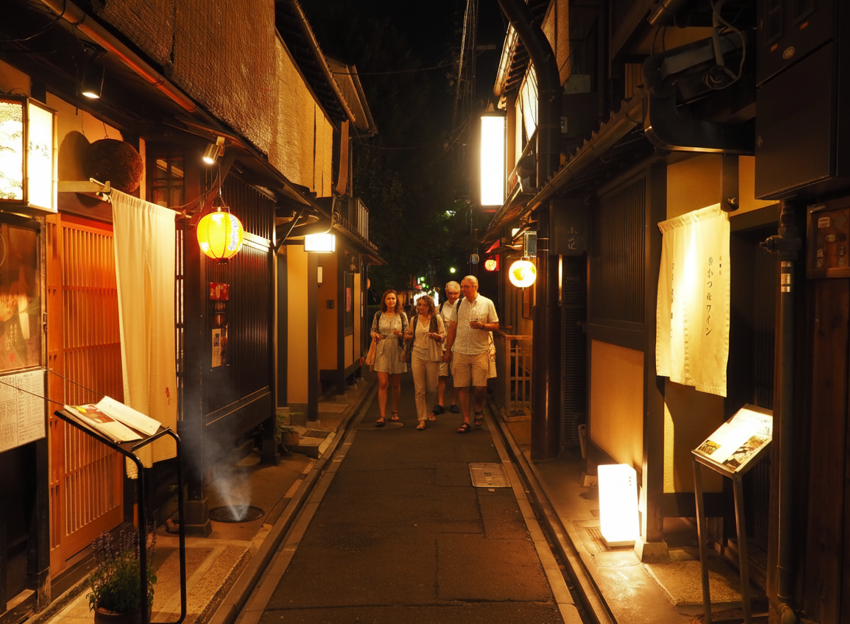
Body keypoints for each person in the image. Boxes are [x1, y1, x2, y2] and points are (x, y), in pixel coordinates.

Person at [443, 275, 499, 433]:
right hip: (460, 350)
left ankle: (479, 407)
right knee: (462, 386)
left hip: (479, 350)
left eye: (466, 287)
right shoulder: (458, 304)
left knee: (480, 387)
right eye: (462, 287)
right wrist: (448, 350)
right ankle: (466, 420)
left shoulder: (487, 303)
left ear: (475, 287)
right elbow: (452, 327)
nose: (463, 290)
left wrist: (482, 325)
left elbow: (495, 325)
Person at [402, 295, 446, 430]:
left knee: (431, 388)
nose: (420, 308)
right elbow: (410, 335)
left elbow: (443, 335)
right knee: (419, 389)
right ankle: (421, 418)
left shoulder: (436, 318)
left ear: (429, 306)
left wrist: (436, 336)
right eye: (419, 305)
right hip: (417, 354)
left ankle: (429, 409)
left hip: (432, 354)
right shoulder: (413, 319)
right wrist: (406, 336)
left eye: (423, 305)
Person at [370, 289, 409, 426]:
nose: (391, 301)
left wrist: (401, 334)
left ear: (396, 301)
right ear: (384, 301)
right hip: (383, 349)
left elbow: (408, 334)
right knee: (382, 383)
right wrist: (375, 335)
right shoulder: (379, 314)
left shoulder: (402, 315)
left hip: (397, 349)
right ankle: (381, 415)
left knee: (396, 383)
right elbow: (373, 330)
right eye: (388, 299)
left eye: (393, 298)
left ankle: (394, 411)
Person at [433, 281, 461, 416]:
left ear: (460, 293)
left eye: (455, 293)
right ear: (446, 293)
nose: (453, 296)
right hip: (443, 346)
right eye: (450, 293)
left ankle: (454, 402)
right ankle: (440, 403)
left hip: (459, 346)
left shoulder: (463, 306)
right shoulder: (440, 308)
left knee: (457, 375)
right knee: (441, 375)